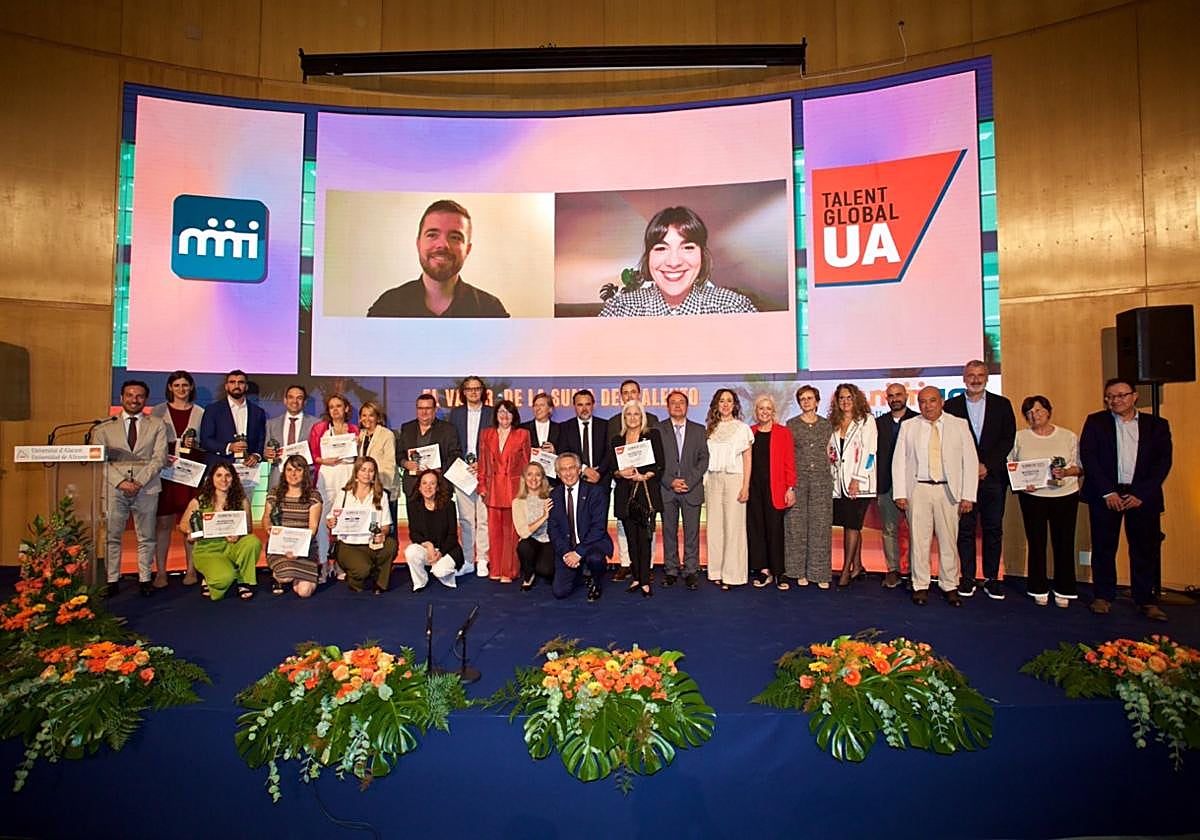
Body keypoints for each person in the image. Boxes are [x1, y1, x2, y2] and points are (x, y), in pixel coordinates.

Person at [1079, 377, 1173, 621]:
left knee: (1144, 549)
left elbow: (1163, 463)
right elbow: (1089, 457)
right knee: (1103, 547)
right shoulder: (1095, 422)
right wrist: (1107, 492)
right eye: (1110, 396)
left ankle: (1145, 600)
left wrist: (1141, 493)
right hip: (1106, 494)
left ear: (1134, 396)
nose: (1115, 400)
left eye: (1121, 395)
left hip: (1143, 496)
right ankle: (1103, 596)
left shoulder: (1157, 425)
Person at [893, 387, 978, 607]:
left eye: (932, 401)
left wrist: (968, 495)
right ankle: (920, 584)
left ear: (941, 402)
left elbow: (969, 462)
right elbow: (899, 461)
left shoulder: (959, 425)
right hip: (918, 490)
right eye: (922, 402)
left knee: (949, 539)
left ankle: (949, 585)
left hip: (948, 491)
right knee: (919, 540)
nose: (927, 406)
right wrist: (900, 492)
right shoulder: (909, 426)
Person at [598, 206, 757, 316]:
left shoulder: (732, 307)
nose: (674, 262)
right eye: (661, 248)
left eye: (687, 247)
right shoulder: (620, 309)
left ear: (702, 254)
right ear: (648, 257)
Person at [944, 360, 1016, 600]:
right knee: (964, 529)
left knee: (993, 528)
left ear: (987, 377)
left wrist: (986, 465)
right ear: (964, 378)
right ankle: (967, 577)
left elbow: (1007, 439)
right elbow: (948, 443)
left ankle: (992, 578)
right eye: (971, 375)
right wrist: (969, 467)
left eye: (980, 375)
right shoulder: (951, 406)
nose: (975, 379)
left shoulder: (1002, 405)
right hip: (963, 479)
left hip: (993, 478)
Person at [366, 199, 509, 318]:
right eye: (432, 234)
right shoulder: (387, 307)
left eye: (455, 237)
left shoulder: (491, 310)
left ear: (468, 250)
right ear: (418, 244)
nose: (442, 245)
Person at [93, 380, 169, 597]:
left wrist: (140, 482)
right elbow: (100, 460)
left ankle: (145, 578)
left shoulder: (156, 424)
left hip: (147, 487)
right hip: (114, 488)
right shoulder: (103, 427)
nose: (134, 400)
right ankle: (112, 579)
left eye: (139, 396)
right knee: (112, 535)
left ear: (145, 400)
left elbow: (159, 457)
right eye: (130, 395)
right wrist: (120, 482)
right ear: (121, 398)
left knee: (146, 536)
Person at [1010, 395, 1082, 608]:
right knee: (1036, 543)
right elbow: (1011, 465)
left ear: (1049, 411)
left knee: (1064, 544)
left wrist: (1066, 471)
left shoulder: (1068, 436)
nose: (1035, 416)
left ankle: (1064, 589)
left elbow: (1079, 466)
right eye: (1030, 413)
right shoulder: (1020, 437)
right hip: (1033, 498)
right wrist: (1023, 483)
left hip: (1065, 496)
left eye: (1039, 411)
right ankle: (1038, 588)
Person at [149, 370, 204, 588]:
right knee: (163, 523)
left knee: (190, 522)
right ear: (170, 388)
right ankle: (161, 571)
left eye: (185, 385)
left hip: (191, 472)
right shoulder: (157, 411)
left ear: (191, 388)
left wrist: (195, 445)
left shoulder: (200, 412)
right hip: (166, 473)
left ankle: (191, 569)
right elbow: (151, 441)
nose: (181, 389)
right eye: (177, 385)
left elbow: (205, 443)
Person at [180, 462, 261, 601]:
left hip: (232, 546)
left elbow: (248, 528)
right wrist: (192, 532)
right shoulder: (199, 501)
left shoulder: (241, 500)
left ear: (233, 478)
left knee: (252, 542)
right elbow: (183, 525)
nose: (224, 479)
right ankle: (212, 576)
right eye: (219, 475)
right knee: (224, 579)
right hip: (208, 550)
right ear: (211, 478)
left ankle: (243, 580)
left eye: (228, 475)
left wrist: (239, 535)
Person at [610, 401, 664, 598]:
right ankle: (635, 577)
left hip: (645, 492)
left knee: (644, 538)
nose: (632, 418)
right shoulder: (617, 440)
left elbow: (660, 465)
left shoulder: (652, 435)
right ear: (624, 418)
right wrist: (620, 472)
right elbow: (611, 470)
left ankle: (645, 581)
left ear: (642, 417)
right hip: (625, 494)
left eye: (636, 414)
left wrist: (644, 476)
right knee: (631, 539)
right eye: (628, 414)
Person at [828, 384, 879, 588]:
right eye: (841, 398)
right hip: (838, 484)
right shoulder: (834, 423)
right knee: (851, 525)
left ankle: (845, 569)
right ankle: (857, 565)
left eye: (849, 397)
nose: (845, 401)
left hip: (858, 484)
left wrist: (858, 478)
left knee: (852, 524)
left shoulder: (866, 421)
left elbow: (870, 453)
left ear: (856, 399)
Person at [704, 388, 754, 590]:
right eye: (721, 401)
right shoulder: (710, 429)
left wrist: (745, 486)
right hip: (713, 480)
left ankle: (733, 575)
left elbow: (747, 459)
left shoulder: (742, 429)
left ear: (735, 405)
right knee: (715, 528)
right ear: (716, 405)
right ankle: (716, 571)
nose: (725, 404)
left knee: (734, 528)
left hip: (735, 480)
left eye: (729, 401)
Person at [658, 390, 708, 590]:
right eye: (673, 402)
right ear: (667, 406)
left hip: (691, 489)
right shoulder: (658, 430)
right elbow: (655, 460)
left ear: (687, 406)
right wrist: (670, 481)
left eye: (681, 402)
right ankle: (671, 570)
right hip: (667, 489)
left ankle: (690, 571)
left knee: (692, 533)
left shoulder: (699, 430)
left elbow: (704, 458)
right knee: (669, 532)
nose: (677, 406)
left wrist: (689, 480)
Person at [477, 400, 532, 583]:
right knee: (494, 531)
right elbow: (483, 462)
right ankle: (496, 568)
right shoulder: (486, 434)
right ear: (496, 415)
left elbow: (526, 464)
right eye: (501, 411)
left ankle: (509, 571)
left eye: (508, 412)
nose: (504, 415)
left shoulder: (522, 434)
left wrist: (526, 489)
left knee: (511, 532)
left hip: (514, 489)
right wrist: (482, 485)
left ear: (514, 415)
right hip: (492, 489)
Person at [784, 385, 833, 589]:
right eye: (802, 399)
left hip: (821, 480)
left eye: (810, 398)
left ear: (817, 401)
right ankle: (797, 571)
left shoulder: (827, 425)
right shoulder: (791, 424)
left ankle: (819, 572)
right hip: (798, 480)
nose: (806, 402)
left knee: (820, 525)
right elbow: (787, 455)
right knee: (796, 526)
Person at [547, 452, 612, 601]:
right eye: (563, 469)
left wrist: (578, 553)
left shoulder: (595, 492)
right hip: (568, 549)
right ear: (557, 473)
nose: (568, 473)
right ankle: (580, 573)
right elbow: (553, 529)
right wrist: (566, 553)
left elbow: (598, 528)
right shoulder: (554, 495)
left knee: (595, 559)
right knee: (560, 592)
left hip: (591, 545)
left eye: (572, 468)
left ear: (579, 470)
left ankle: (596, 581)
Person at [329, 456, 397, 594]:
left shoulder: (381, 495)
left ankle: (380, 583)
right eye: (363, 470)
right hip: (348, 544)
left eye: (371, 471)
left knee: (390, 545)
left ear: (374, 474)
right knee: (362, 570)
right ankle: (356, 579)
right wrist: (331, 522)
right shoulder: (344, 494)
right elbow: (331, 518)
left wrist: (382, 534)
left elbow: (386, 525)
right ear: (356, 472)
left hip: (371, 543)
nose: (367, 474)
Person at [309, 393, 359, 579]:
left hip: (347, 474)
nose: (335, 410)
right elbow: (312, 454)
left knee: (344, 519)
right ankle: (322, 562)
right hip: (326, 475)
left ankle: (340, 562)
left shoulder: (355, 430)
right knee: (322, 520)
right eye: (331, 407)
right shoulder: (319, 429)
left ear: (346, 408)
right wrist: (324, 460)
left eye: (339, 406)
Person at [749, 395, 796, 590]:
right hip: (754, 490)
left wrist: (790, 488)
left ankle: (779, 572)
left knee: (775, 531)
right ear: (756, 412)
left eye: (768, 408)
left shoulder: (783, 433)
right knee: (757, 530)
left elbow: (789, 462)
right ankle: (763, 570)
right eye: (761, 408)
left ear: (773, 412)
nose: (765, 412)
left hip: (775, 489)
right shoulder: (749, 432)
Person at [874, 383, 919, 589]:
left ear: (907, 396)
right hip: (886, 484)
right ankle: (893, 570)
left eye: (898, 395)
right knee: (889, 529)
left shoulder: (919, 421)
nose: (895, 399)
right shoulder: (878, 423)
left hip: (913, 485)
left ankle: (913, 573)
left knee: (916, 530)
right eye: (891, 396)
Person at [450, 376, 494, 577]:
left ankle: (483, 558)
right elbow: (452, 442)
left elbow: (495, 444)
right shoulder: (456, 414)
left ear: (482, 391)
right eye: (469, 389)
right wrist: (463, 464)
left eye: (477, 388)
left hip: (486, 471)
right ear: (464, 392)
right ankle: (468, 559)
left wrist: (482, 464)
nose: (474, 392)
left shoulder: (491, 413)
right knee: (467, 519)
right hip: (463, 472)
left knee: (484, 518)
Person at [262, 454, 322, 598]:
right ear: (284, 472)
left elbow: (313, 528)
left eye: (298, 470)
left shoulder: (314, 496)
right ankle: (280, 576)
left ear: (305, 473)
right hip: (279, 548)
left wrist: (297, 548)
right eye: (289, 470)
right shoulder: (274, 493)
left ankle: (300, 575)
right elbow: (266, 518)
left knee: (304, 592)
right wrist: (270, 530)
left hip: (304, 547)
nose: (293, 474)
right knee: (285, 576)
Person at [403, 470, 463, 591]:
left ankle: (445, 573)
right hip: (427, 549)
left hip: (447, 549)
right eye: (424, 483)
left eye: (432, 483)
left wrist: (440, 553)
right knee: (411, 551)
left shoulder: (449, 505)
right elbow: (414, 533)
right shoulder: (413, 505)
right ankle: (420, 582)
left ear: (438, 487)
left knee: (440, 571)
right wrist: (428, 546)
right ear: (419, 487)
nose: (428, 487)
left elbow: (452, 536)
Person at [396, 393, 461, 499]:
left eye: (428, 408)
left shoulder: (448, 429)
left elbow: (455, 455)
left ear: (435, 409)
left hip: (440, 487)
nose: (424, 412)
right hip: (413, 487)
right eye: (420, 408)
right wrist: (405, 463)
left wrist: (440, 469)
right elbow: (399, 454)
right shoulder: (407, 428)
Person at [198, 369, 266, 468]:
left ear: (246, 387)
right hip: (221, 467)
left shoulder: (258, 412)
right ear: (226, 386)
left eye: (241, 382)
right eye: (232, 382)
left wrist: (256, 455)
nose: (236, 386)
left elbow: (261, 439)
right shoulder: (213, 410)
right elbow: (206, 440)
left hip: (250, 468)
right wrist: (229, 447)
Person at [264, 384, 317, 490]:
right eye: (291, 397)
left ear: (305, 402)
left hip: (305, 479)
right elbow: (266, 452)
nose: (295, 401)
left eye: (299, 398)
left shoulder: (315, 424)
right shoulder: (271, 424)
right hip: (278, 478)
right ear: (285, 400)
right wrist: (267, 454)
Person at [513, 462, 555, 590]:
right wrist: (544, 517)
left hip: (550, 540)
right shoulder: (518, 502)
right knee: (523, 545)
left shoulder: (552, 496)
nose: (533, 479)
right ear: (524, 478)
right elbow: (523, 533)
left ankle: (538, 565)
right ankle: (528, 574)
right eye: (529, 474)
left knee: (546, 571)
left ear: (543, 478)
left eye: (538, 475)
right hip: (531, 540)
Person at [558, 389, 610, 487]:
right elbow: (564, 453)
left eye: (588, 404)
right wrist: (584, 469)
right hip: (575, 480)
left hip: (601, 481)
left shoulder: (605, 425)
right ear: (574, 406)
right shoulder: (565, 427)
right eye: (580, 405)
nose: (584, 409)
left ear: (593, 405)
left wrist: (598, 472)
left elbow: (609, 452)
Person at [358, 400, 398, 516]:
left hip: (383, 486)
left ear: (377, 417)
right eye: (364, 415)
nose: (367, 419)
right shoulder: (360, 435)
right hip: (365, 488)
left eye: (371, 415)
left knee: (386, 525)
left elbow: (390, 464)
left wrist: (380, 487)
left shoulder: (387, 434)